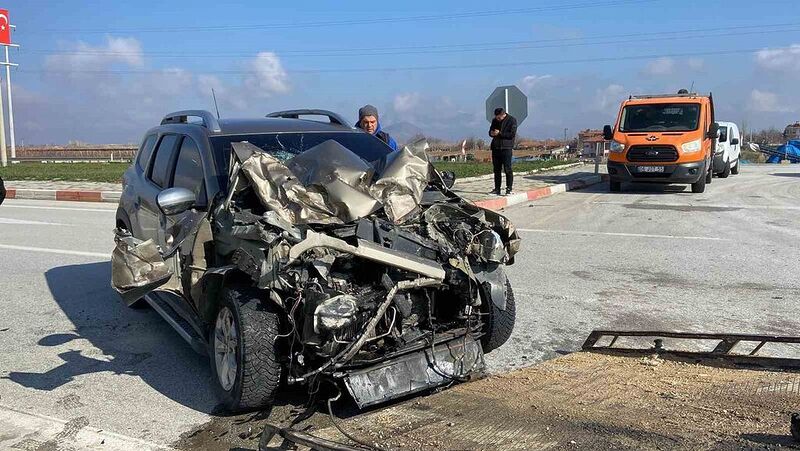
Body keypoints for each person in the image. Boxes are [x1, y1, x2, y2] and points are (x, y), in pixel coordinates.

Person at [489, 107, 517, 195]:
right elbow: (490, 131)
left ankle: (509, 188)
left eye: (499, 117)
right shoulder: (494, 121)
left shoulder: (512, 120)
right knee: (496, 170)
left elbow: (511, 134)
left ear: (503, 115)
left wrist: (500, 133)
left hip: (506, 148)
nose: (497, 119)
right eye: (496, 117)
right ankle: (497, 189)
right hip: (496, 147)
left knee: (507, 169)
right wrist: (491, 133)